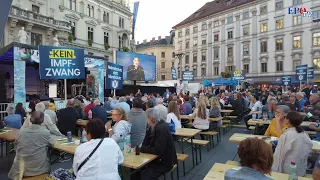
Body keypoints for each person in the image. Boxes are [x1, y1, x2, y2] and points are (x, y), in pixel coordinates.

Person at [8, 111, 56, 179]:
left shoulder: (21, 132)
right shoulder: (45, 133)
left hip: (19, 169)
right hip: (39, 169)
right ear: (42, 121)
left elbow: (16, 146)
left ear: (30, 120)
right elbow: (52, 144)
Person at [140, 108, 177, 180]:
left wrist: (141, 148)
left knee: (145, 176)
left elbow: (158, 150)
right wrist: (141, 147)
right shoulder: (153, 126)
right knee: (137, 171)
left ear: (149, 118)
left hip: (166, 162)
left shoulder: (161, 128)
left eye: (146, 117)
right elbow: (145, 142)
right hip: (158, 159)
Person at [272, 111, 313, 176]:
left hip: (287, 171)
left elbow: (278, 156)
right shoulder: (304, 134)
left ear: (288, 120)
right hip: (300, 169)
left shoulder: (287, 135)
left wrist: (274, 171)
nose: (284, 118)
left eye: (285, 117)